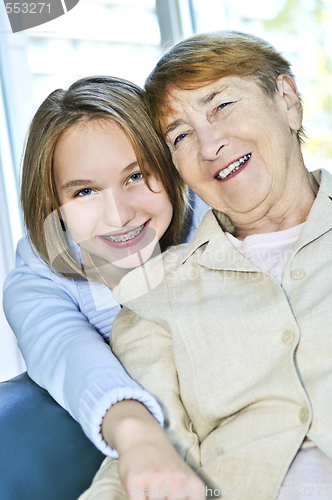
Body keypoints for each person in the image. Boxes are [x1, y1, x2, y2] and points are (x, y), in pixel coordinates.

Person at [80, 32, 332, 499]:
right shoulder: (155, 296)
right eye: (181, 135)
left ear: (288, 101)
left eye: (221, 105)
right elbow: (147, 460)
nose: (210, 144)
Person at [3, 76, 208, 498]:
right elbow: (67, 350)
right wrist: (138, 437)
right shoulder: (39, 275)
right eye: (85, 192)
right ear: (53, 206)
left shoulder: (214, 215)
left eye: (135, 176)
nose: (119, 216)